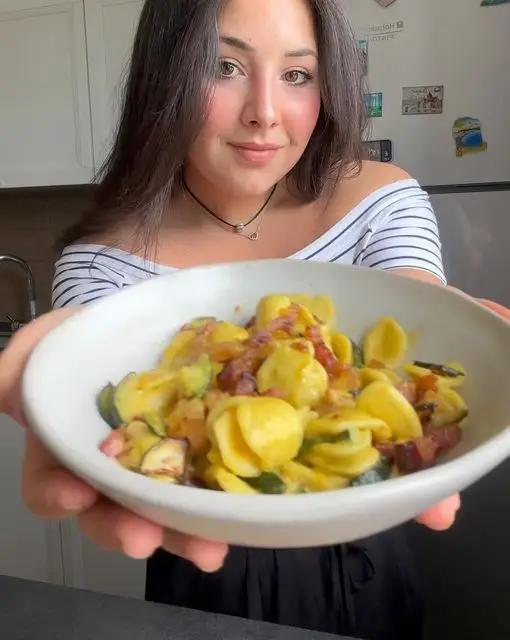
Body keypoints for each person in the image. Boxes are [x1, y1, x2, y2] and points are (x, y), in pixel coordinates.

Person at [1, 0, 509, 638]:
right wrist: (63, 369)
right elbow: (87, 359)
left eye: (298, 75)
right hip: (197, 560)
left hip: (369, 549)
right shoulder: (100, 264)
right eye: (224, 65)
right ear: (166, 78)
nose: (265, 112)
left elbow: (411, 311)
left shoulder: (379, 199)